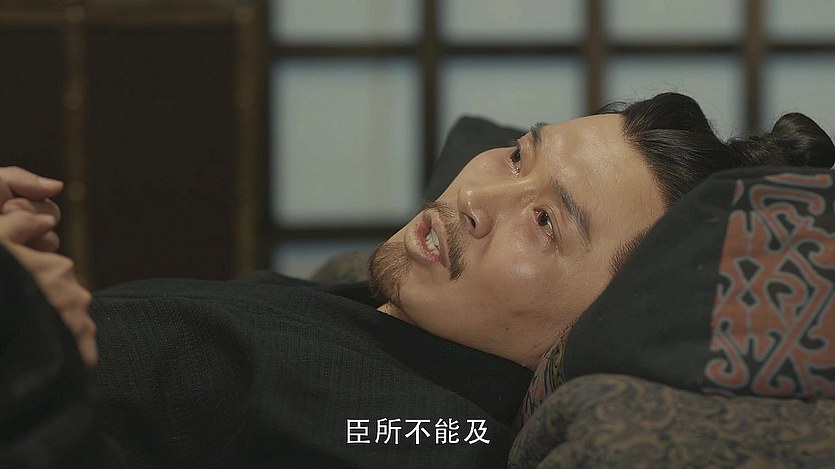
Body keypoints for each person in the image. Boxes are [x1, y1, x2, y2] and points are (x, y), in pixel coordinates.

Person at [2, 92, 833, 468]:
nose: (477, 198)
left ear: (603, 317)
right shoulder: (374, 310)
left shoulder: (426, 437)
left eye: (546, 221)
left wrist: (27, 340)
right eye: (518, 155)